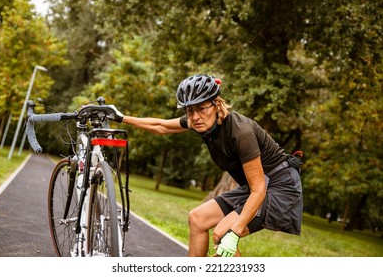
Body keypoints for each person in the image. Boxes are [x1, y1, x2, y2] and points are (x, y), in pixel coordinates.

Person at [121, 74, 303, 257]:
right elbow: (161, 126)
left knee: (224, 233)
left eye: (201, 108)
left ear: (216, 104)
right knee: (198, 219)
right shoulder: (200, 122)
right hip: (259, 185)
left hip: (281, 188)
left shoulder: (241, 133)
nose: (195, 116)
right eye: (189, 110)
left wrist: (234, 232)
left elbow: (258, 190)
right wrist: (121, 118)